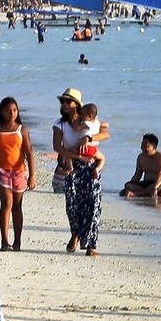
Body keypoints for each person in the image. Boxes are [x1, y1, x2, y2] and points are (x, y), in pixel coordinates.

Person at [0, 97, 36, 251]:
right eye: (8, 110)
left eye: (14, 110)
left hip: (19, 172)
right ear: (2, 112)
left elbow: (29, 153)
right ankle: (5, 242)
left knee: (17, 206)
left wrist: (32, 175)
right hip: (2, 172)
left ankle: (17, 241)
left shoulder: (22, 130)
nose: (11, 113)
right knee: (6, 204)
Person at [66, 102, 104, 255]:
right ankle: (77, 234)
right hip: (87, 157)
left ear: (88, 116)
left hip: (88, 155)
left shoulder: (86, 124)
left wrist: (82, 130)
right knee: (75, 205)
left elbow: (78, 129)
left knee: (93, 205)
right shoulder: (95, 122)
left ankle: (90, 245)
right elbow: (105, 130)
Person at [119, 135, 161, 200]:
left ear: (154, 147)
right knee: (128, 185)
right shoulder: (140, 157)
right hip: (147, 185)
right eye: (142, 145)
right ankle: (154, 193)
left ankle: (136, 194)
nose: (143, 148)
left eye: (146, 146)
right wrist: (130, 185)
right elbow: (137, 175)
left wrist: (155, 188)